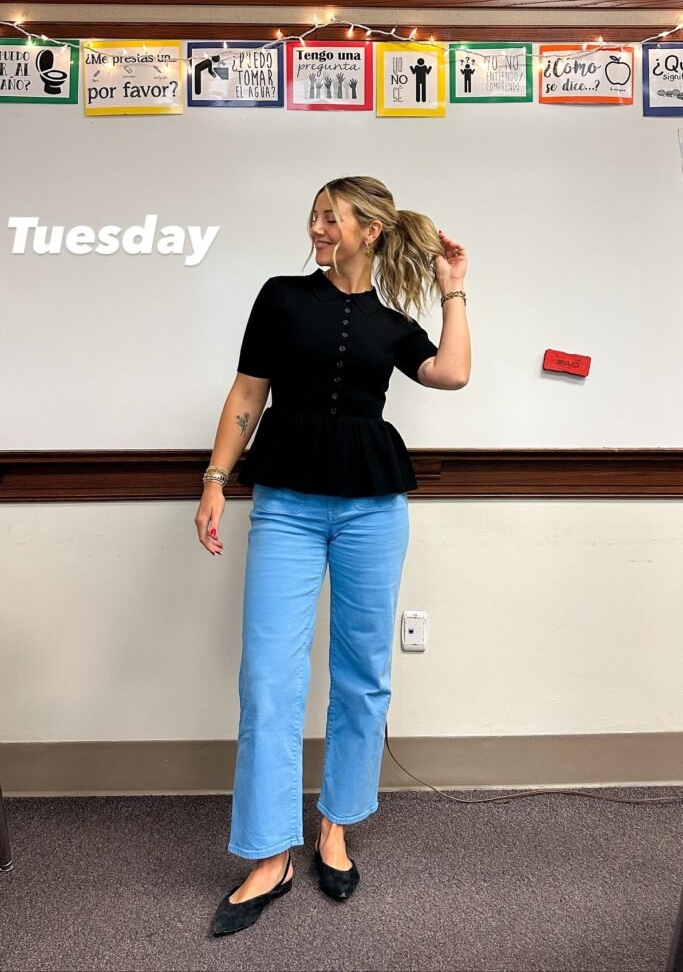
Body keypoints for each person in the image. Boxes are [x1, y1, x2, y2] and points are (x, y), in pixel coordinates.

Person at [195, 175, 471, 936]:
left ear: (369, 230)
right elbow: (248, 393)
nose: (317, 228)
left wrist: (452, 289)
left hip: (372, 507)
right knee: (268, 678)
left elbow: (450, 374)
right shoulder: (281, 297)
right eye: (315, 216)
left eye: (331, 218)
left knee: (362, 676)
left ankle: (335, 826)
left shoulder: (391, 323)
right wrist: (216, 477)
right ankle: (267, 852)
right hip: (285, 502)